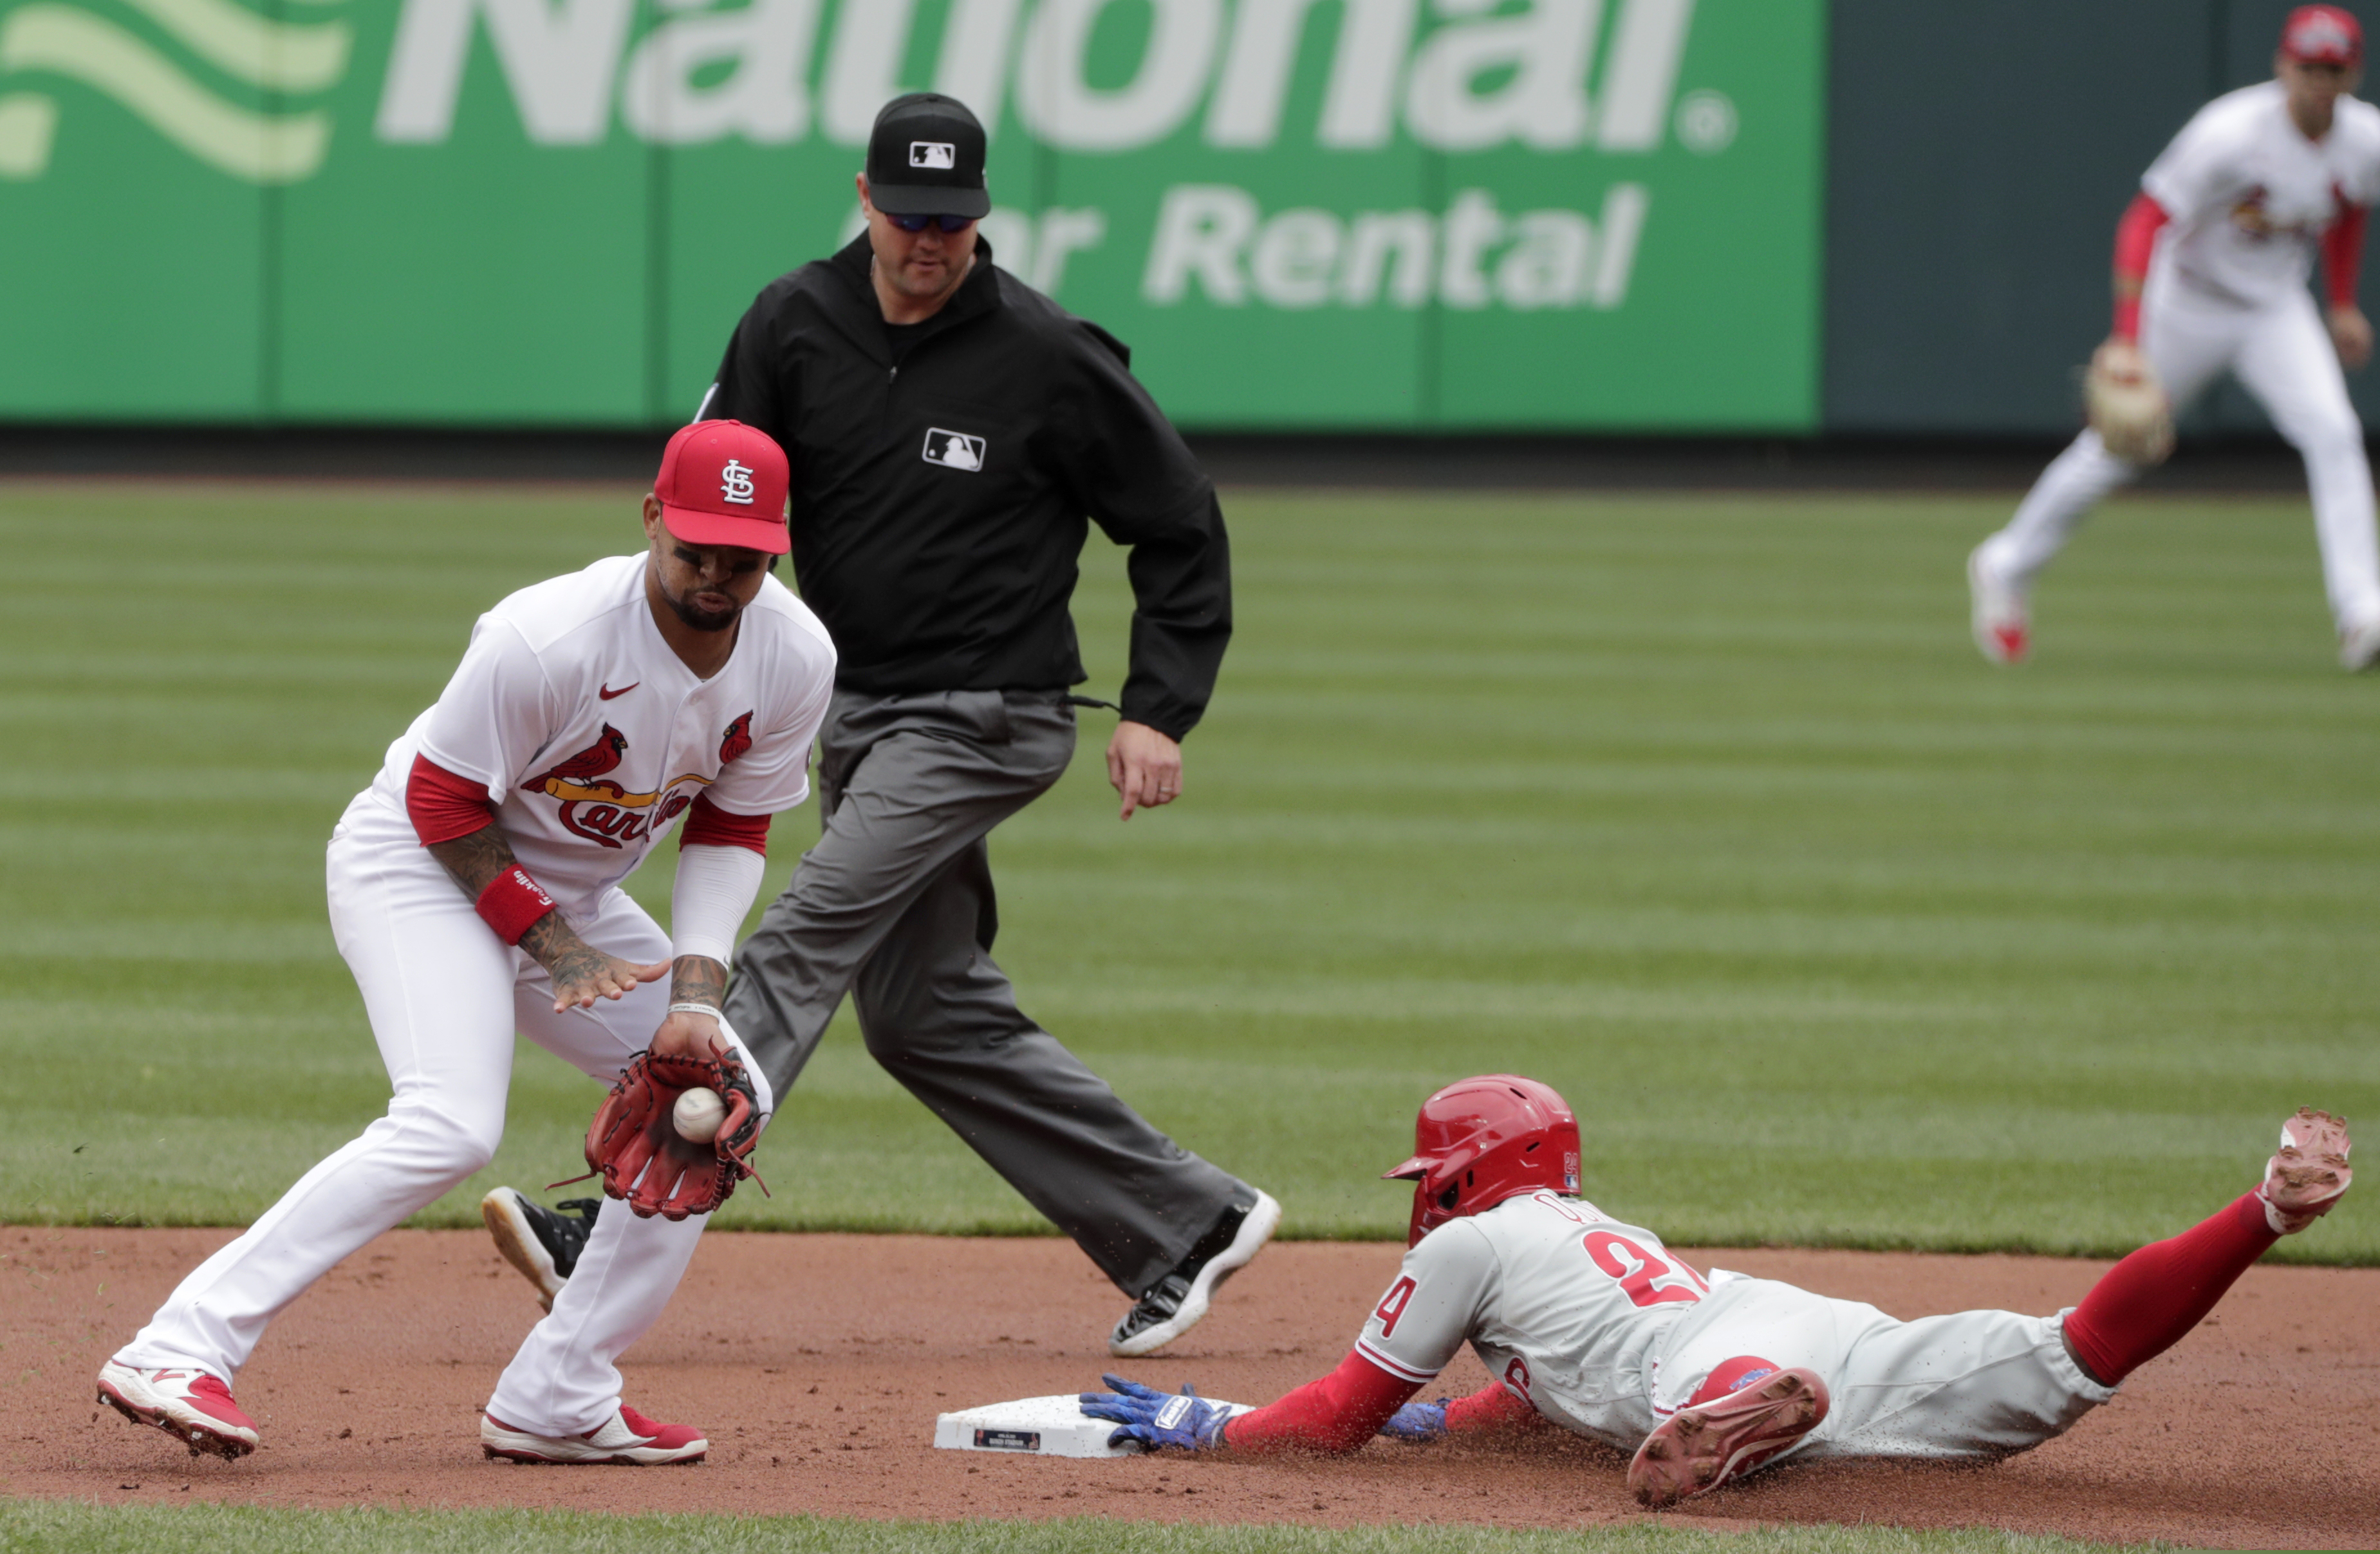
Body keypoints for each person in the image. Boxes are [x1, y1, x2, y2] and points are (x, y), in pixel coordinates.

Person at [483, 91, 1274, 1358]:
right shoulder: (793, 322)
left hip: (985, 718)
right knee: (924, 1016)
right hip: (853, 717)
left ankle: (617, 1225)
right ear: (864, 197)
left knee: (794, 943)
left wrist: (1157, 709)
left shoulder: (1045, 354)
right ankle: (1187, 1219)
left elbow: (1178, 522)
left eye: (952, 221)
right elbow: (710, 504)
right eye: (908, 216)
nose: (928, 242)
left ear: (981, 216)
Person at [97, 421, 836, 1465]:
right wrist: (554, 944)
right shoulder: (553, 633)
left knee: (715, 1101)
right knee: (449, 1120)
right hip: (418, 862)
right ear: (651, 520)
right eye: (695, 548)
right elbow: (440, 795)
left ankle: (559, 1392)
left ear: (778, 546)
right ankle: (176, 1345)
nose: (716, 573)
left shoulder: (794, 655)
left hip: (566, 893)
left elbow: (730, 823)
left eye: (743, 556)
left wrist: (699, 994)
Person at [1083, 1074, 2352, 1509]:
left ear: (1470, 1170)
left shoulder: (1468, 1247)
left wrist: (1213, 1425)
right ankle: (2263, 1212)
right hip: (1808, 1330)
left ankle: (1748, 1412)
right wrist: (1442, 1423)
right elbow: (1537, 1398)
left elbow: (1338, 1412)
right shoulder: (1593, 1234)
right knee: (2069, 1356)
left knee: (1681, 1402)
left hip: (1723, 1359)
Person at [1970, 5, 2380, 670]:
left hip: (2274, 307)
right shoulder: (2229, 133)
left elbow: (2350, 204)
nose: (2318, 82)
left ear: (2353, 74)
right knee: (2116, 451)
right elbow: (2143, 220)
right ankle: (2003, 564)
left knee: (2333, 432)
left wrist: (2339, 302)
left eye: (2331, 69)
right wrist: (2126, 340)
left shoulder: (2364, 139)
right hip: (2185, 300)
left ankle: (2361, 614)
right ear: (2281, 66)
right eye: (2307, 67)